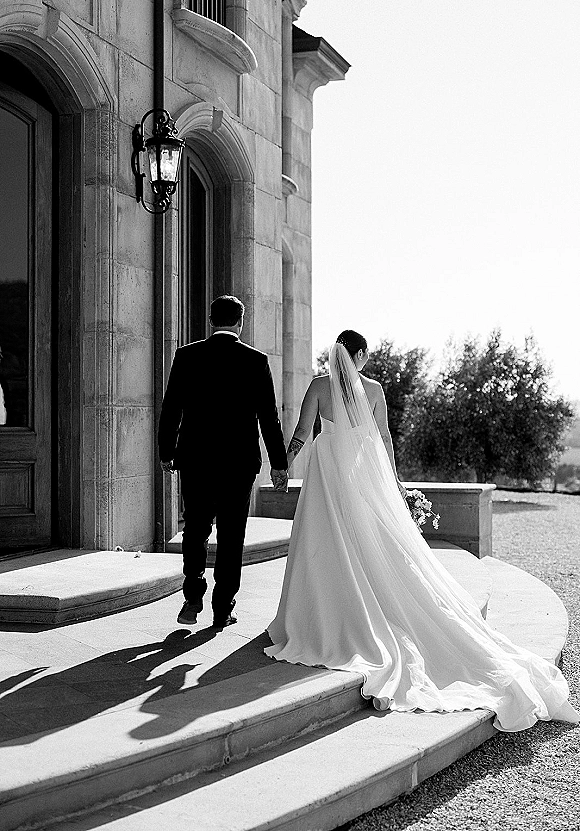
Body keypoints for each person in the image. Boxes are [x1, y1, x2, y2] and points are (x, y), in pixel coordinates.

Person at [265, 330, 579, 732]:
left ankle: (323, 613)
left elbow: (300, 436)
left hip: (327, 478)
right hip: (361, 478)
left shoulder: (319, 386)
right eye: (363, 356)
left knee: (323, 546)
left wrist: (281, 466)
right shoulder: (374, 389)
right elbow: (382, 439)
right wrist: (392, 483)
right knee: (373, 547)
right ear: (358, 355)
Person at [158, 295, 288, 629]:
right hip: (239, 462)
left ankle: (192, 597)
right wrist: (279, 462)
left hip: (196, 459)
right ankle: (222, 608)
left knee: (195, 528)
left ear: (212, 320)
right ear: (240, 322)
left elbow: (171, 407)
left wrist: (166, 451)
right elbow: (268, 417)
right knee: (232, 535)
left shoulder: (187, 356)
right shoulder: (255, 360)